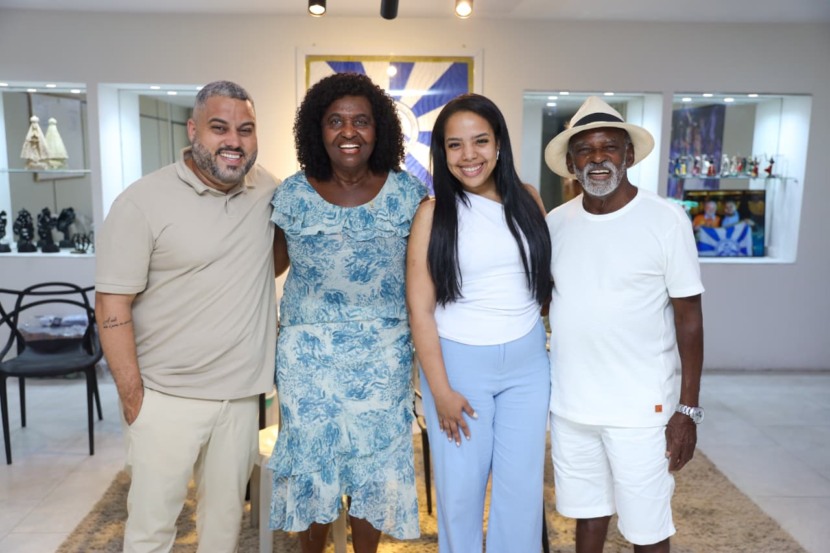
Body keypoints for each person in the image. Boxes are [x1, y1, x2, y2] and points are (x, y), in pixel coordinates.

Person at [95, 80, 279, 553]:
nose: (234, 141)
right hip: (165, 396)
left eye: (245, 129)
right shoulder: (141, 202)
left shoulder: (269, 192)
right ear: (193, 130)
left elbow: (273, 260)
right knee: (152, 529)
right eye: (219, 128)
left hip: (240, 398)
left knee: (224, 527)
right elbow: (111, 304)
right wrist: (134, 398)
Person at [266, 72, 427, 553]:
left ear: (380, 130)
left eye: (361, 121)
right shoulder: (293, 194)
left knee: (374, 470)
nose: (348, 131)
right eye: (335, 121)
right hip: (307, 360)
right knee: (312, 466)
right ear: (317, 130)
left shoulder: (408, 195)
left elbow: (425, 278)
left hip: (384, 358)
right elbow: (267, 268)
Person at [543, 96, 704, 553]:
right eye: (585, 150)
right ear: (571, 163)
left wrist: (688, 410)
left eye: (609, 147)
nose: (598, 159)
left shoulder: (666, 219)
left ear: (628, 155)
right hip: (572, 407)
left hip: (641, 411)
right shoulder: (555, 223)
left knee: (646, 529)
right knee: (587, 516)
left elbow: (690, 320)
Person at [406, 93, 552, 552]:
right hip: (459, 369)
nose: (469, 155)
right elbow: (420, 310)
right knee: (461, 495)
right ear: (442, 152)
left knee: (521, 495)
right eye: (455, 145)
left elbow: (542, 283)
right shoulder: (432, 214)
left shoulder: (528, 199)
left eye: (480, 141)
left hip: (528, 366)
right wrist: (440, 391)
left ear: (499, 143)